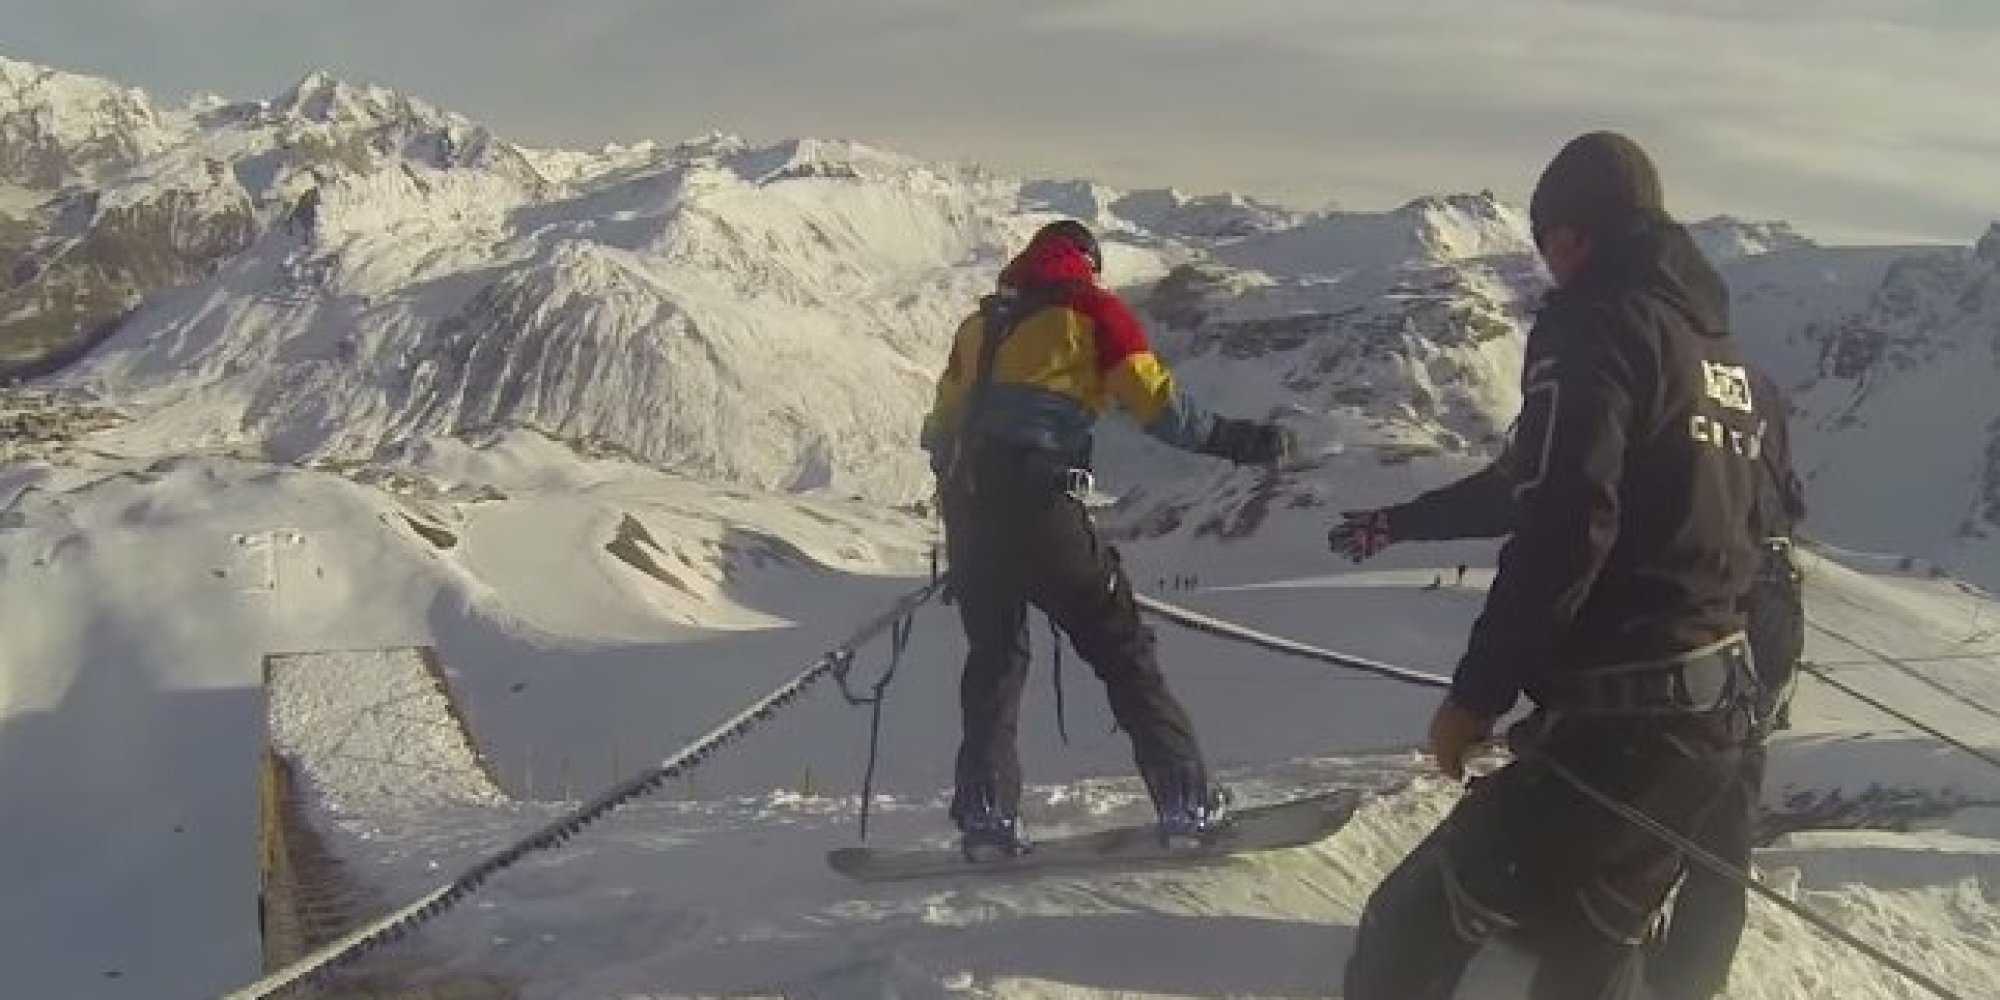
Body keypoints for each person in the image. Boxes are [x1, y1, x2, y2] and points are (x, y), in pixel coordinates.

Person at [1332, 132, 1766, 1000]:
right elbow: (1552, 487)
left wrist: (1478, 695)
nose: (1546, 268)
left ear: (1571, 234)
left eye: (1544, 245)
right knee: (1587, 946)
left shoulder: (1595, 322)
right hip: (1717, 717)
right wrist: (1406, 522)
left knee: (1411, 925)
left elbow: (1568, 520)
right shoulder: (1725, 360)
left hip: (1626, 723)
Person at [920, 219, 1293, 856]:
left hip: (970, 514)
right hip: (1041, 508)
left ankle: (985, 816)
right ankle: (1186, 801)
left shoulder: (980, 324)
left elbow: (938, 429)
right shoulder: (1094, 311)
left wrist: (970, 518)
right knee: (1122, 651)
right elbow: (1160, 409)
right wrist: (1243, 441)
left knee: (995, 663)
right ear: (1085, 264)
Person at [1648, 364, 1807, 1000]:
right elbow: (1791, 502)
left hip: (1700, 613)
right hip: (1769, 611)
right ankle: (1690, 981)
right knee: (1728, 807)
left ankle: (1611, 950)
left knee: (1647, 783)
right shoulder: (1757, 387)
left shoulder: (1660, 369)